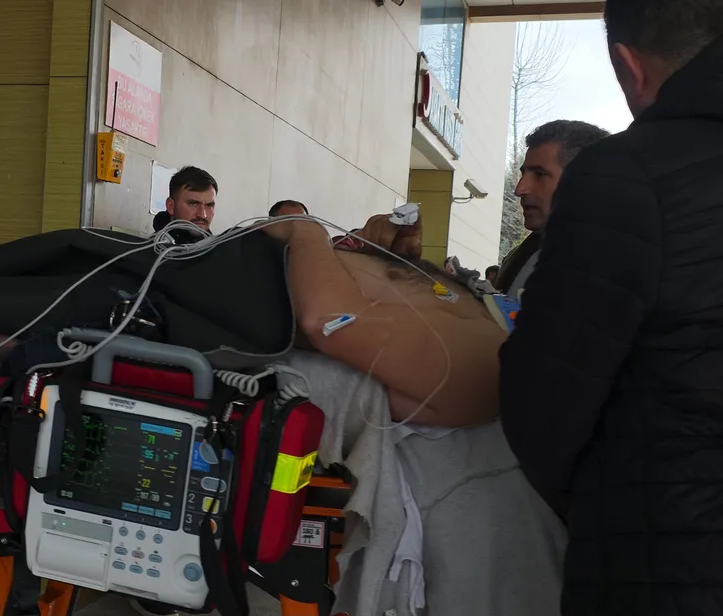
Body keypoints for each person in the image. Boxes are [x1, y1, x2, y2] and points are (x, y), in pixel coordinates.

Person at [500, 1, 723, 614]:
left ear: (629, 66)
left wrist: (600, 506)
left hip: (667, 559)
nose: (522, 189)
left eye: (539, 174)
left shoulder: (627, 175)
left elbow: (544, 400)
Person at [264, 214, 566, 615]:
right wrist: (312, 232)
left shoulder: (481, 351)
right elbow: (329, 320)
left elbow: (331, 318)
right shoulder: (478, 353)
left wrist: (314, 234)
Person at [494, 120, 609, 296]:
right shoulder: (524, 253)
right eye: (524, 174)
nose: (520, 189)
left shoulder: (609, 267)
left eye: (540, 175)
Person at [151, 166, 218, 241]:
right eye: (193, 204)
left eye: (209, 205)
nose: (202, 215)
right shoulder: (149, 247)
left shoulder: (218, 247)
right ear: (170, 206)